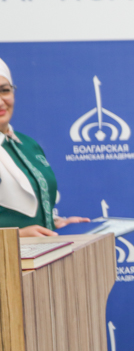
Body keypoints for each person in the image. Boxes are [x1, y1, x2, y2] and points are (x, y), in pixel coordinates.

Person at [0, 57, 89, 236]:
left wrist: (55, 223)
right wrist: (18, 236)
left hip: (40, 252)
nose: (1, 102)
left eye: (5, 90)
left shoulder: (27, 144)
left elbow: (26, 212)